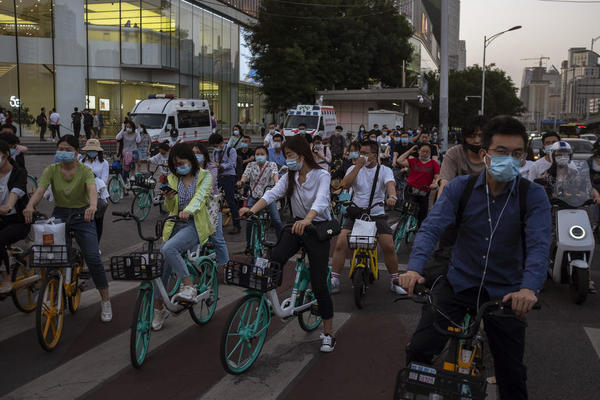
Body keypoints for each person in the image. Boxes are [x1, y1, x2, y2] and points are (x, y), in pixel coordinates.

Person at [398, 116, 552, 400]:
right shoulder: (461, 188)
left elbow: (539, 245)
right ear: (484, 154)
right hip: (458, 282)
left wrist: (529, 289)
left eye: (517, 154)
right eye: (501, 151)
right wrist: (414, 269)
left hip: (506, 292)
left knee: (512, 374)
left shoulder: (533, 196)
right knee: (419, 349)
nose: (510, 159)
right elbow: (432, 228)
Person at [239, 135, 336, 353]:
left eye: (290, 155)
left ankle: (329, 333)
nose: (287, 160)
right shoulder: (289, 176)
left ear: (302, 155)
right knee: (275, 259)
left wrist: (308, 219)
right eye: (285, 156)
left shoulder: (322, 175)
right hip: (296, 226)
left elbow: (321, 200)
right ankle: (272, 299)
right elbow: (272, 194)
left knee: (319, 283)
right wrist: (251, 210)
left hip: (317, 228)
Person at [23, 135, 112, 322]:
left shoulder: (85, 170)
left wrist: (92, 206)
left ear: (76, 152)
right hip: (60, 214)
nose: (63, 152)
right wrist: (30, 205)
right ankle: (50, 289)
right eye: (60, 149)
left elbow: (92, 190)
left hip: (83, 214)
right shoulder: (52, 170)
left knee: (93, 257)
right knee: (49, 254)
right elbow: (40, 190)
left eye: (68, 150)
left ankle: (105, 300)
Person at [151, 143, 215, 330]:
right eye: (175, 165)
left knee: (168, 249)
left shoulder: (205, 176)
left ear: (191, 160)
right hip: (174, 224)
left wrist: (188, 210)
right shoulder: (173, 178)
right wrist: (169, 199)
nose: (178, 167)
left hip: (195, 225)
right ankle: (159, 310)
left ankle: (189, 286)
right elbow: (171, 208)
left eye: (181, 163)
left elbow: (201, 197)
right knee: (160, 268)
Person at [330, 140, 405, 295]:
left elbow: (390, 185)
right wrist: (357, 166)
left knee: (388, 246)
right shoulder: (353, 168)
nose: (362, 156)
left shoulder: (384, 170)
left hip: (377, 214)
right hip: (356, 213)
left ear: (375, 155)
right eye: (360, 153)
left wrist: (392, 197)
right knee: (340, 243)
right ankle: (334, 280)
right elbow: (345, 185)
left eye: (365, 153)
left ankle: (394, 280)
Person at [237, 145, 282, 253]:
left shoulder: (272, 165)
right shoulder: (250, 165)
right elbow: (245, 176)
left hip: (268, 197)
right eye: (257, 154)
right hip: (253, 196)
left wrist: (277, 183)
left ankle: (281, 244)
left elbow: (275, 175)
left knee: (276, 220)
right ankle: (248, 246)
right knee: (248, 221)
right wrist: (241, 182)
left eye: (262, 154)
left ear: (267, 155)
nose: (260, 156)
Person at [0, 139, 30, 293]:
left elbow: (15, 192)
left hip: (18, 220)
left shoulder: (19, 172)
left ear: (5, 155)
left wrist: (8, 206)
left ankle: (5, 278)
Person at [192, 144, 229, 268]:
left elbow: (209, 183)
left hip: (211, 205)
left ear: (204, 155)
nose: (195, 155)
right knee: (192, 236)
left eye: (198, 152)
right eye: (193, 153)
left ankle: (225, 265)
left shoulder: (211, 167)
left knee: (217, 238)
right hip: (195, 205)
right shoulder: (189, 168)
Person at [437, 117, 487, 199]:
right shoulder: (454, 153)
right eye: (472, 136)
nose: (477, 141)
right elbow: (445, 185)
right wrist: (440, 206)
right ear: (464, 137)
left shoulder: (495, 154)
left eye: (481, 135)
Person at [396, 143, 440, 224]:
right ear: (419, 151)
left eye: (427, 152)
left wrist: (435, 183)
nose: (425, 153)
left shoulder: (434, 164)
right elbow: (399, 160)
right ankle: (403, 227)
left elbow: (437, 177)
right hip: (410, 190)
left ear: (430, 153)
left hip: (424, 192)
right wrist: (410, 151)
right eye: (423, 151)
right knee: (407, 212)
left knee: (422, 215)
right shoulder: (414, 161)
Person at [209, 133, 241, 234]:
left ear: (221, 143)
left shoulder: (231, 150)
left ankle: (237, 225)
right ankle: (214, 224)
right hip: (219, 177)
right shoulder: (215, 151)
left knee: (230, 200)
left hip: (229, 177)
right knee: (215, 199)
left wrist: (220, 165)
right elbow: (214, 164)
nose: (215, 147)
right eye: (214, 146)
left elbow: (232, 164)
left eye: (215, 145)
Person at [81, 139, 109, 242]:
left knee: (98, 222)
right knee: (85, 222)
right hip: (84, 196)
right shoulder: (82, 162)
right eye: (90, 150)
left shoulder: (104, 163)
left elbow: (104, 180)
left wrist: (94, 187)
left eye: (94, 150)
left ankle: (96, 244)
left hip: (99, 195)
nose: (91, 152)